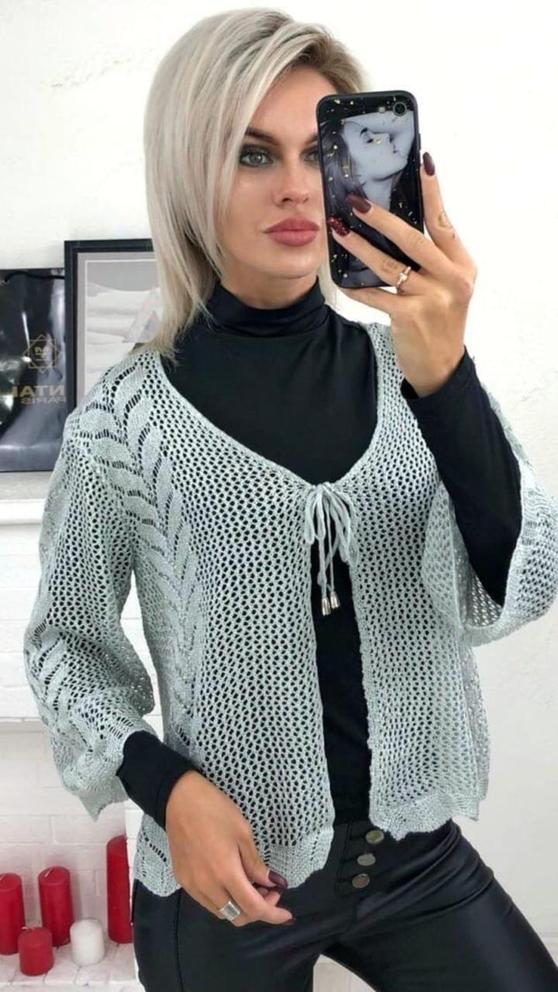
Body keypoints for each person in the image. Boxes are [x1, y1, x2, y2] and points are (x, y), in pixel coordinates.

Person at [23, 9, 558, 992]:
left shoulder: (413, 373)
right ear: (191, 171)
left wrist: (447, 379)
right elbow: (66, 647)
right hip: (229, 881)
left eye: (321, 152)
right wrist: (167, 790)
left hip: (415, 855)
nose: (298, 187)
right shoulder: (125, 421)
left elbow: (515, 583)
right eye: (253, 153)